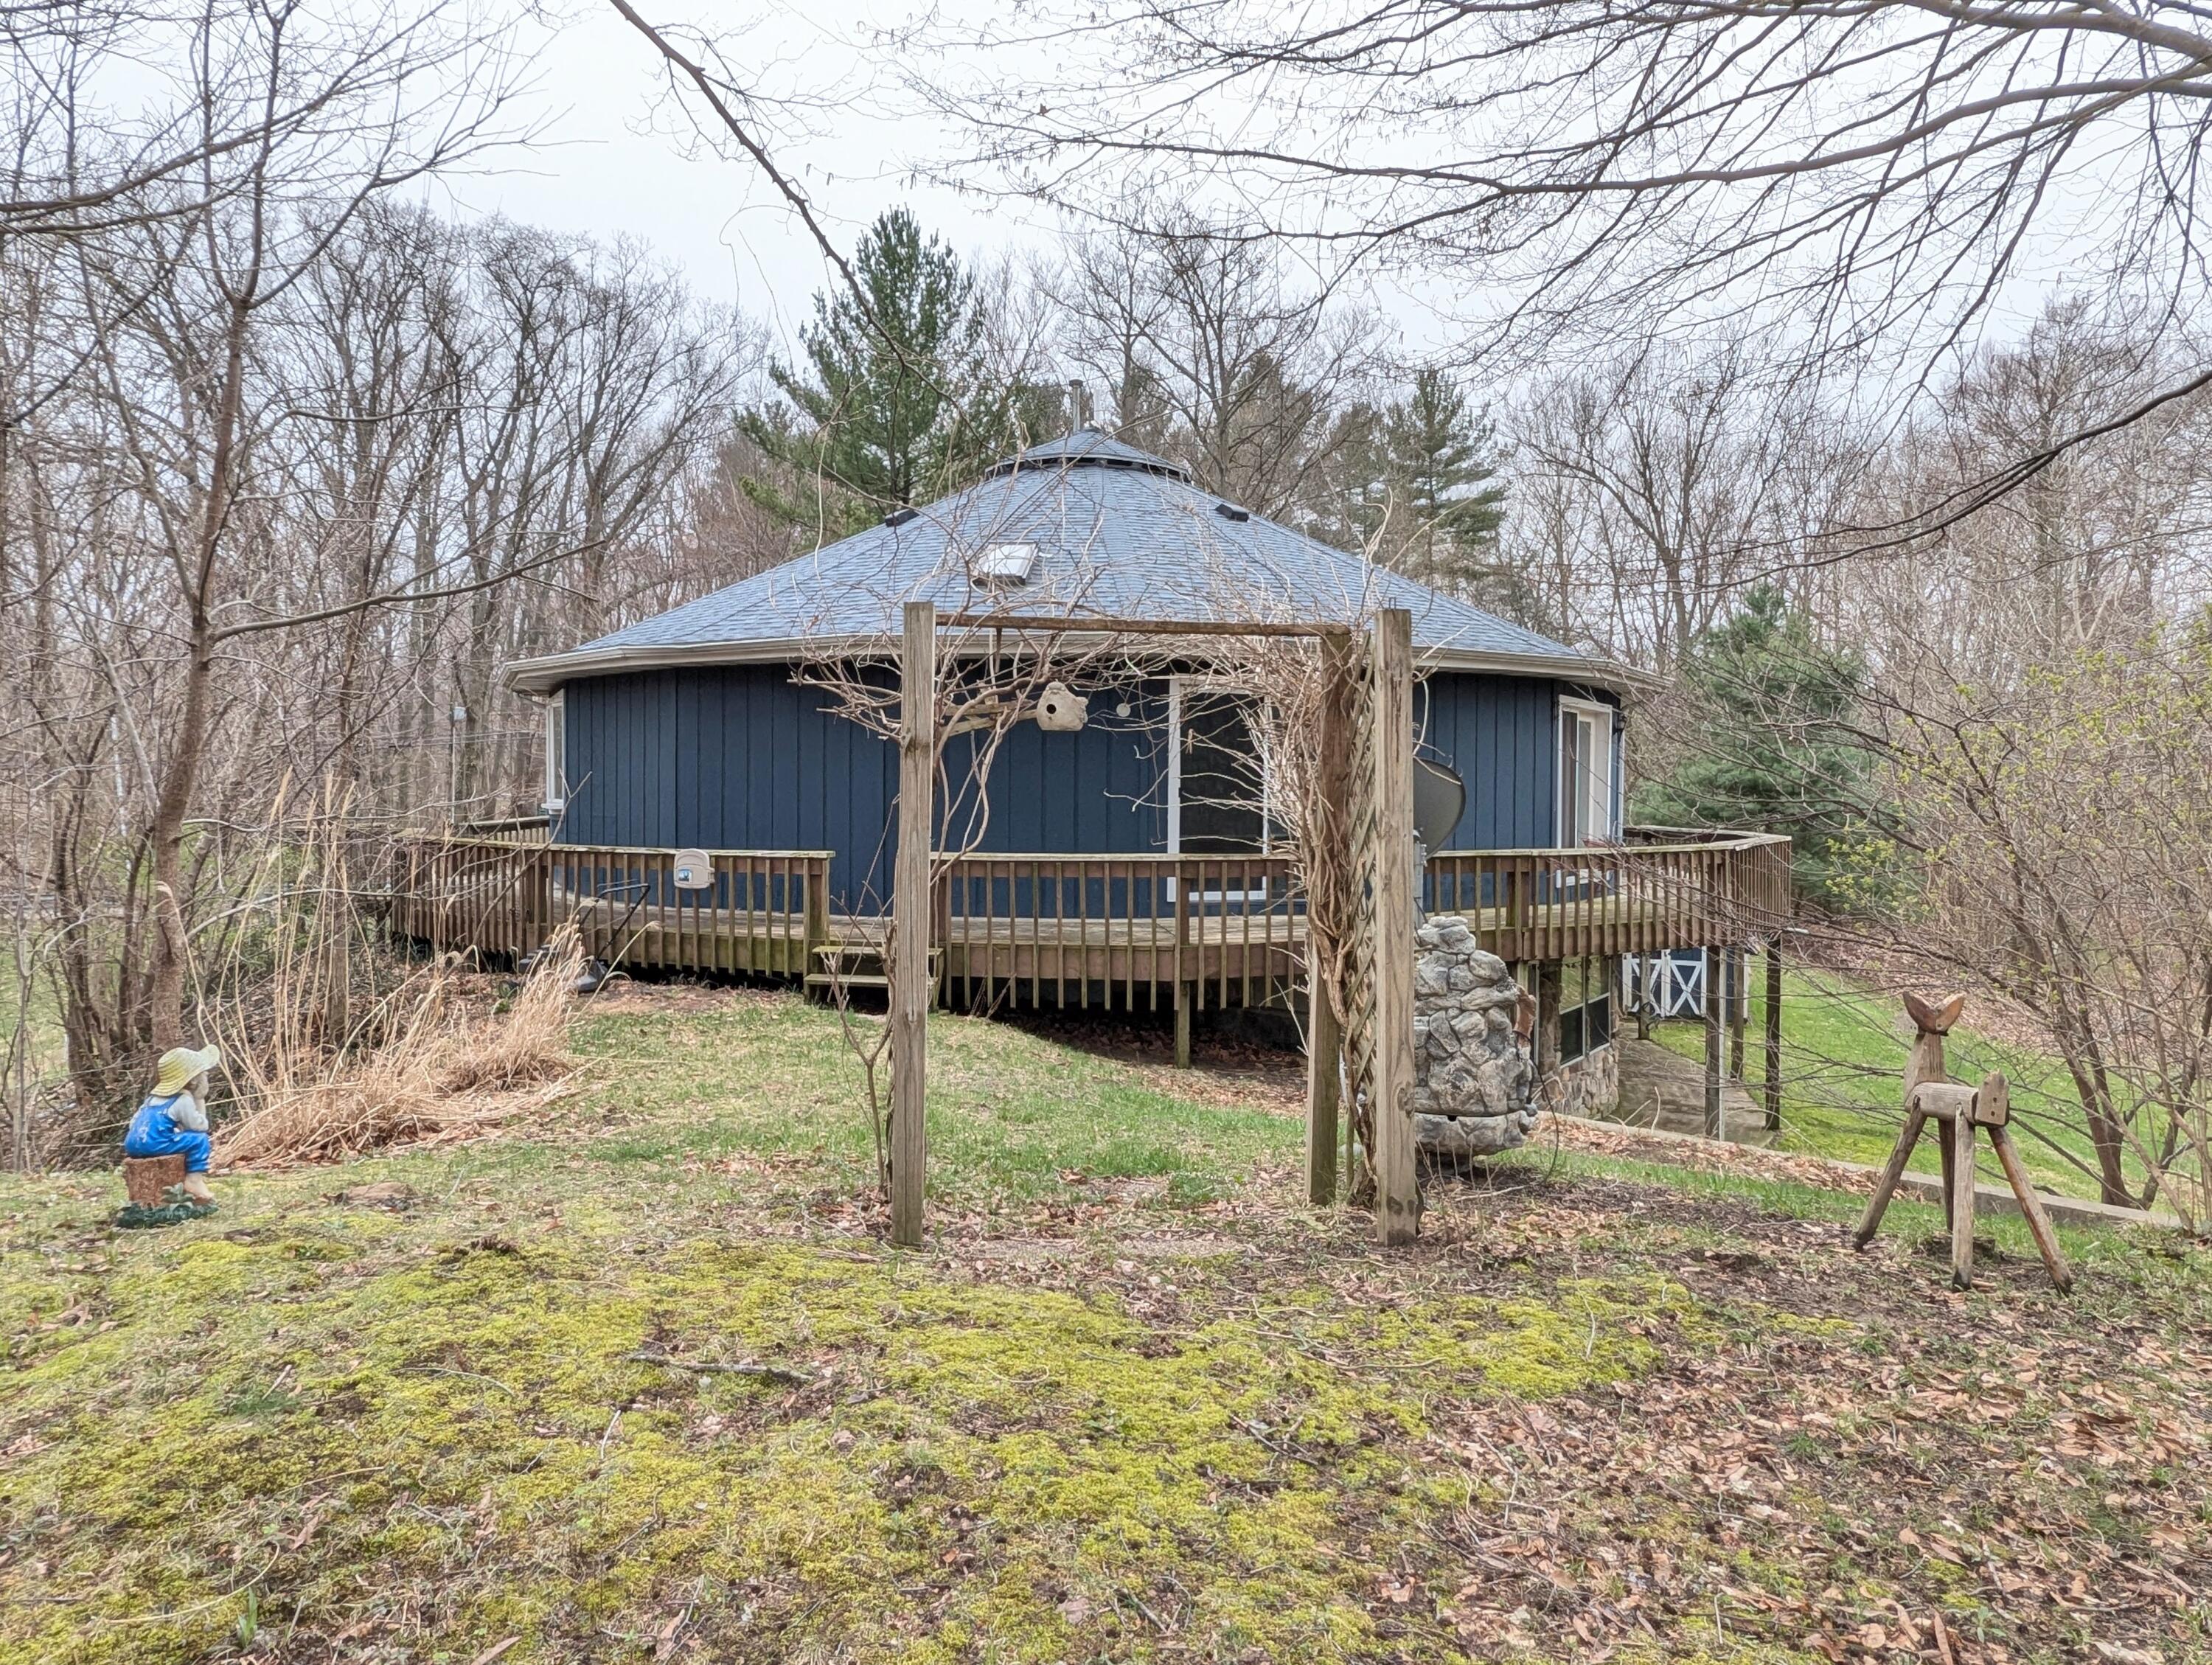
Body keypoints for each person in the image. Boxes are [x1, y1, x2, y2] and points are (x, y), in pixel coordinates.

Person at [125, 1044, 223, 1207]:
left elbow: (133, 1124)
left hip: (132, 1144)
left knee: (180, 1136)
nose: (207, 1075)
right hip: (154, 1144)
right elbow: (198, 1127)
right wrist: (200, 1099)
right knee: (200, 1140)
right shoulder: (182, 1100)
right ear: (193, 1080)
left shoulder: (152, 1099)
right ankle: (194, 1180)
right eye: (203, 1073)